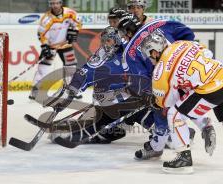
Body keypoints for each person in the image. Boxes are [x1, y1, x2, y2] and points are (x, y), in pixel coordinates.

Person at [117, 15, 213, 161]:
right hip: (184, 72)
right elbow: (187, 34)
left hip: (161, 80)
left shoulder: (129, 52)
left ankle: (157, 147)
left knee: (162, 112)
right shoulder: (158, 23)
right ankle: (205, 124)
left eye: (123, 34)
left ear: (128, 33)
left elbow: (140, 80)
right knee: (185, 103)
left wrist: (148, 95)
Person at [41, 26, 153, 144]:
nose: (105, 44)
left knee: (123, 123)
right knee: (133, 111)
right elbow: (84, 72)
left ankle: (68, 131)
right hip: (112, 100)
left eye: (108, 40)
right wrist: (71, 92)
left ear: (117, 40)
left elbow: (147, 69)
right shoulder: (102, 54)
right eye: (103, 41)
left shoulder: (132, 51)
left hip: (126, 97)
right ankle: (157, 132)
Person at [140, 30, 218, 174]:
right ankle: (205, 125)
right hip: (219, 73)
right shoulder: (181, 44)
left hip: (211, 90)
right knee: (185, 101)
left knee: (174, 114)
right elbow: (208, 54)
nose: (149, 58)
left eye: (148, 53)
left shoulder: (160, 71)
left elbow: (165, 103)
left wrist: (155, 101)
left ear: (155, 52)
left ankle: (184, 159)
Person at [29, 0, 82, 100]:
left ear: (61, 3)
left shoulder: (70, 13)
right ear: (50, 4)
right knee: (43, 68)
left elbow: (78, 23)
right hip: (51, 46)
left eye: (57, 3)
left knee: (71, 68)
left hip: (65, 45)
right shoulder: (46, 19)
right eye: (52, 3)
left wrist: (74, 31)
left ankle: (70, 90)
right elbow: (41, 34)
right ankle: (35, 91)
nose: (55, 5)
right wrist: (45, 47)